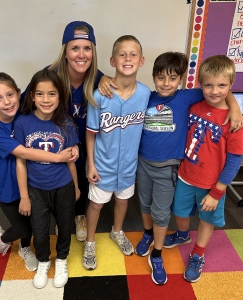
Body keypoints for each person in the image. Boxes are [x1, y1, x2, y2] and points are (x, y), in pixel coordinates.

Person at [99, 52, 243, 285]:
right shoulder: (146, 95)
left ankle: (157, 254)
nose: (166, 84)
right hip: (143, 164)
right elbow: (120, 87)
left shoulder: (187, 97)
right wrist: (103, 79)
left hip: (169, 168)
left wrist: (234, 107)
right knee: (144, 204)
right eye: (161, 78)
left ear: (182, 80)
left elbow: (220, 91)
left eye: (173, 78)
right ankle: (148, 234)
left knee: (161, 211)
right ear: (154, 77)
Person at [0, 21, 105, 242]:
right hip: (51, 144)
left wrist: (111, 81)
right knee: (53, 179)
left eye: (87, 48)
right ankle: (58, 218)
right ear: (65, 50)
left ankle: (78, 215)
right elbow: (21, 106)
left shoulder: (99, 79)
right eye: (75, 48)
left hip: (85, 141)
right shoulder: (50, 77)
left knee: (81, 177)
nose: (81, 54)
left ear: (93, 52)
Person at [163, 55, 243, 283]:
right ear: (200, 84)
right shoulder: (194, 106)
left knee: (206, 219)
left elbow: (233, 161)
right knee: (179, 212)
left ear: (231, 86)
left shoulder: (236, 122)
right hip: (186, 175)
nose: (214, 91)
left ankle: (198, 254)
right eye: (208, 85)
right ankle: (182, 235)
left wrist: (218, 192)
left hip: (211, 184)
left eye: (222, 86)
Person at [0, 72, 77, 273]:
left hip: (32, 182)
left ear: (20, 94)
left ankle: (26, 247)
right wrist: (59, 157)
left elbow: (46, 91)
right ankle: (2, 239)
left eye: (10, 95)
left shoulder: (23, 114)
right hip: (8, 185)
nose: (7, 103)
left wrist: (73, 146)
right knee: (22, 227)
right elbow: (23, 153)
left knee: (34, 224)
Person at [83, 35, 151, 270]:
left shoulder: (145, 94)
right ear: (112, 61)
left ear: (141, 61)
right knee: (96, 204)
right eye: (122, 54)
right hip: (103, 164)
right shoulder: (99, 94)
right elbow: (90, 133)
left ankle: (117, 231)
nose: (128, 58)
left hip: (129, 165)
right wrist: (90, 164)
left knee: (122, 201)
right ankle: (90, 242)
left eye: (133, 54)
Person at [14, 69, 80, 289]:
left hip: (64, 186)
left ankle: (61, 259)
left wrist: (77, 187)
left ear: (60, 96)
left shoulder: (67, 124)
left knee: (64, 225)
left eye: (52, 94)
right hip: (36, 189)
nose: (46, 99)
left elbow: (70, 160)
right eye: (40, 94)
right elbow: (21, 161)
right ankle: (43, 260)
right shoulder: (22, 123)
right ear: (32, 95)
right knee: (40, 231)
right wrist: (24, 196)